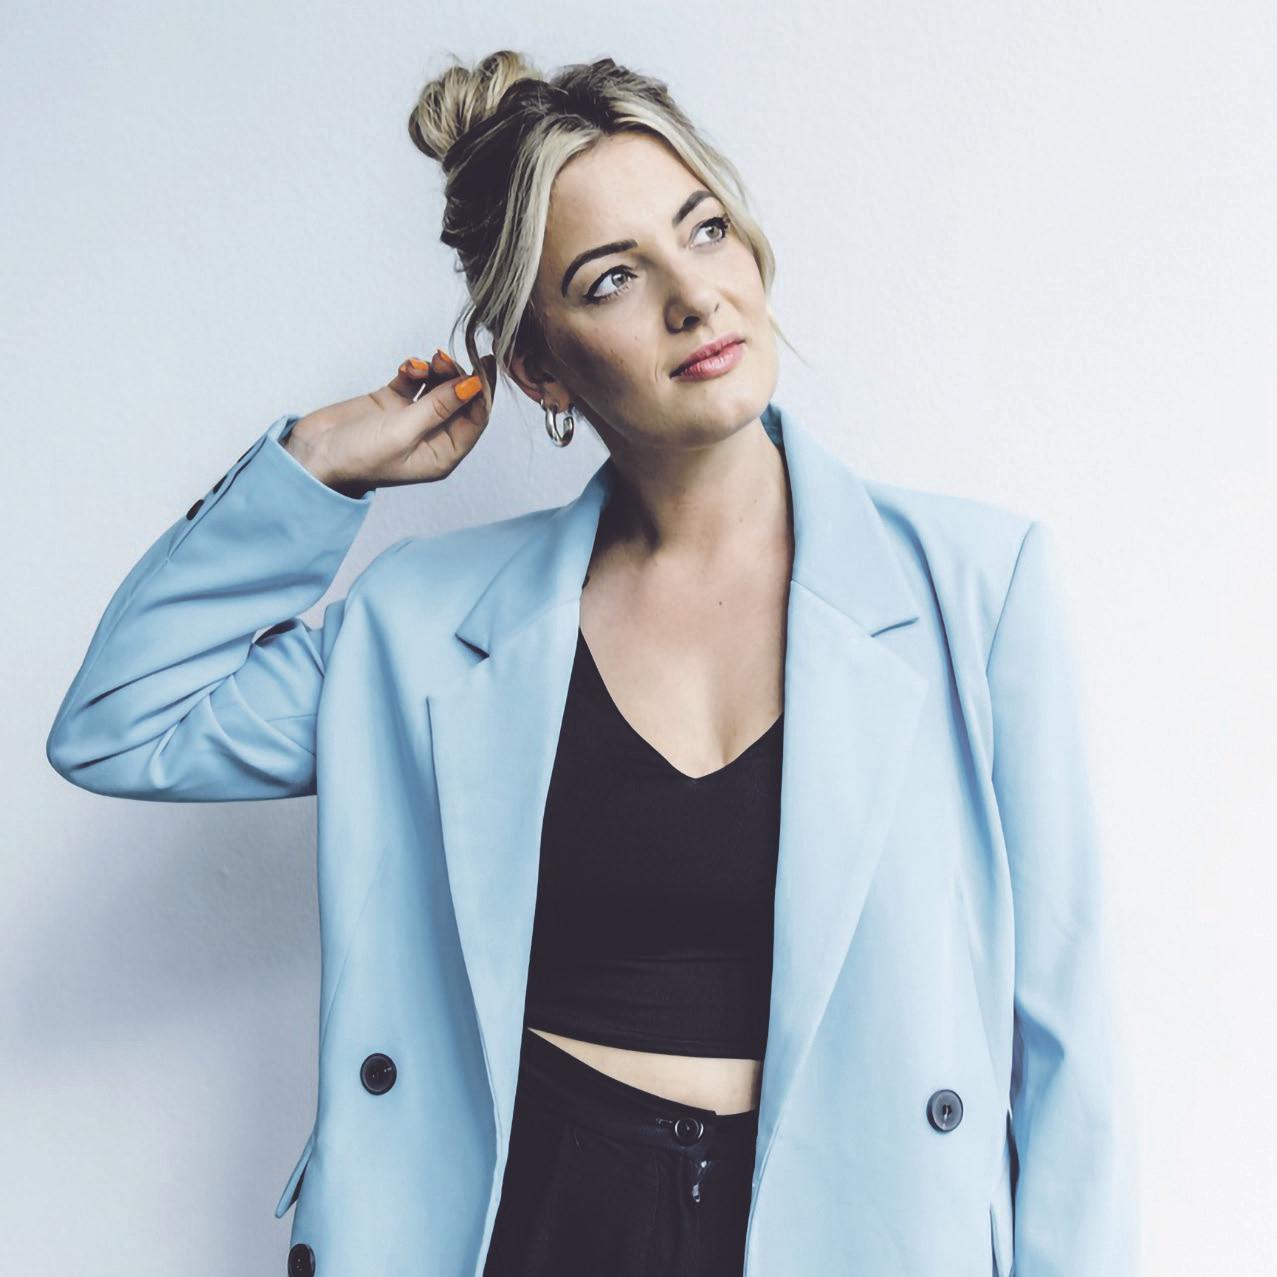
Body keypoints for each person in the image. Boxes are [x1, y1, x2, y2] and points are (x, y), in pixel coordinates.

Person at [46, 50, 1139, 1277]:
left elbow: (1066, 1044)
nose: (693, 296)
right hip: (536, 1223)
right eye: (611, 277)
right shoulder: (425, 627)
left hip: (861, 1231)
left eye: (703, 229)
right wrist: (317, 466)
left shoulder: (974, 589)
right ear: (539, 365)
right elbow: (122, 721)